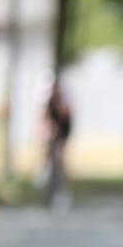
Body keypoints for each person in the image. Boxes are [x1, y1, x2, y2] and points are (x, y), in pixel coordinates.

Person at [43, 81, 72, 209]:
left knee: (59, 160)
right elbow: (45, 118)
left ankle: (61, 189)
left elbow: (66, 118)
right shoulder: (50, 102)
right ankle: (48, 187)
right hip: (52, 136)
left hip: (62, 135)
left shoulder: (63, 102)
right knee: (49, 158)